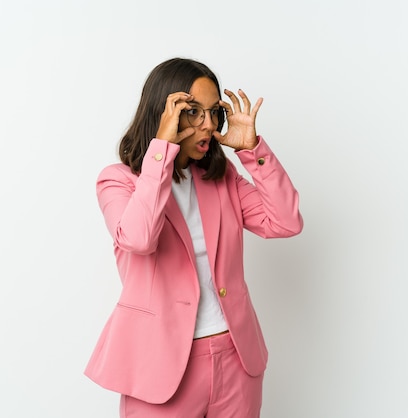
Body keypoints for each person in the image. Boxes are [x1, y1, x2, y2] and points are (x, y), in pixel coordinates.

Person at [85, 57, 303, 417]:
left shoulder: (220, 178)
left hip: (236, 358)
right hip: (161, 369)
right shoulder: (119, 181)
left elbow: (285, 221)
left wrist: (252, 151)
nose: (207, 124)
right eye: (193, 112)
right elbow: (139, 239)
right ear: (165, 114)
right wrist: (161, 154)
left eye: (213, 112)